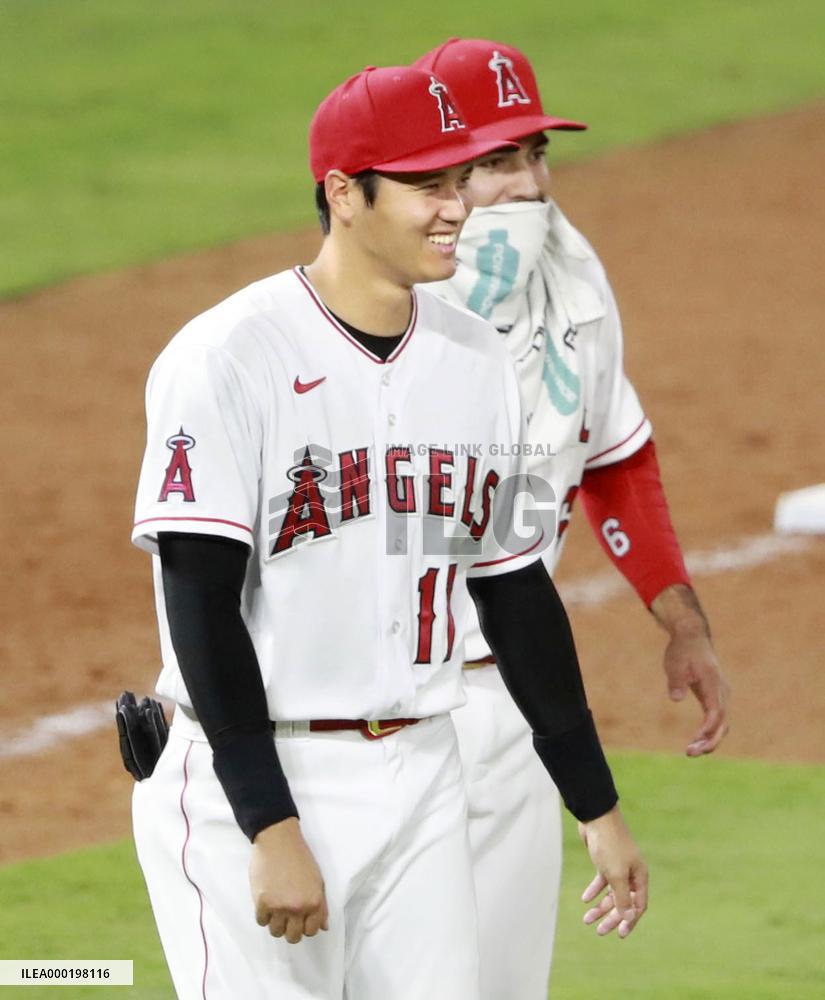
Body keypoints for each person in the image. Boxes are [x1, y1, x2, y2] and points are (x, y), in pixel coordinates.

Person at [130, 64, 648, 1000]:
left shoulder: (475, 358)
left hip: (421, 770)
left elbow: (512, 588)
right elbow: (200, 602)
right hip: (258, 774)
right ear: (343, 193)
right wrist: (269, 823)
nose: (456, 208)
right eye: (425, 185)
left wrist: (594, 802)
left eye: (458, 180)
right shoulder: (225, 358)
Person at [414, 37, 730, 998]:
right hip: (382, 715)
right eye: (495, 163)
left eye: (536, 155)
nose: (527, 186)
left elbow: (613, 452)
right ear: (436, 175)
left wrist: (681, 621)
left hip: (512, 698)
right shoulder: (379, 305)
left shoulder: (571, 275)